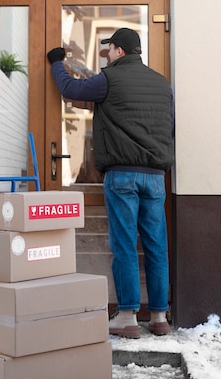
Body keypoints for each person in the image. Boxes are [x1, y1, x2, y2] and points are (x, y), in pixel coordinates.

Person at [47, 28, 174, 339]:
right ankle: (159, 316)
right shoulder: (162, 84)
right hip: (156, 176)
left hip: (122, 175)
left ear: (119, 51)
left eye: (109, 50)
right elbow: (168, 126)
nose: (107, 55)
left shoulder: (109, 78)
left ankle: (128, 316)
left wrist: (56, 62)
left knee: (125, 245)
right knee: (157, 247)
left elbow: (70, 89)